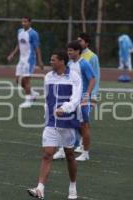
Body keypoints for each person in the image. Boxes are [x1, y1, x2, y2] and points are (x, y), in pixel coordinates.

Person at [27, 50, 82, 200]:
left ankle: (72, 187)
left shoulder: (74, 77)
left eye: (53, 60)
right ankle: (40, 189)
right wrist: (47, 115)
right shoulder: (48, 77)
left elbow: (76, 99)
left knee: (70, 156)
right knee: (47, 154)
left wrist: (64, 109)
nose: (50, 62)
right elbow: (47, 98)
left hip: (68, 122)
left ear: (62, 61)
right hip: (51, 122)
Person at [53, 41, 95, 161]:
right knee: (63, 124)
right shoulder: (70, 64)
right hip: (70, 99)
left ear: (78, 51)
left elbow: (92, 79)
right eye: (68, 50)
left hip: (81, 99)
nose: (69, 52)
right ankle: (62, 150)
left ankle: (85, 153)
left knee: (84, 126)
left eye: (71, 50)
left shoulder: (84, 64)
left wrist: (87, 95)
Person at [7, 16, 44, 108]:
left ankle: (28, 101)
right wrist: (12, 54)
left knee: (26, 80)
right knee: (18, 80)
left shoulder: (33, 34)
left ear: (30, 23)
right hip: (21, 60)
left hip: (29, 60)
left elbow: (37, 48)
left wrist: (40, 61)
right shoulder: (19, 31)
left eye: (25, 22)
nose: (23, 23)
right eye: (22, 21)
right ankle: (33, 93)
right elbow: (18, 45)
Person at [74, 32, 100, 154]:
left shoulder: (92, 57)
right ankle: (79, 142)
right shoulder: (75, 56)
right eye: (77, 40)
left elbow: (95, 76)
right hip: (76, 94)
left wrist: (92, 94)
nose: (78, 42)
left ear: (86, 43)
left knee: (84, 121)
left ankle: (83, 145)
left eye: (81, 41)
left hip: (87, 94)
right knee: (77, 120)